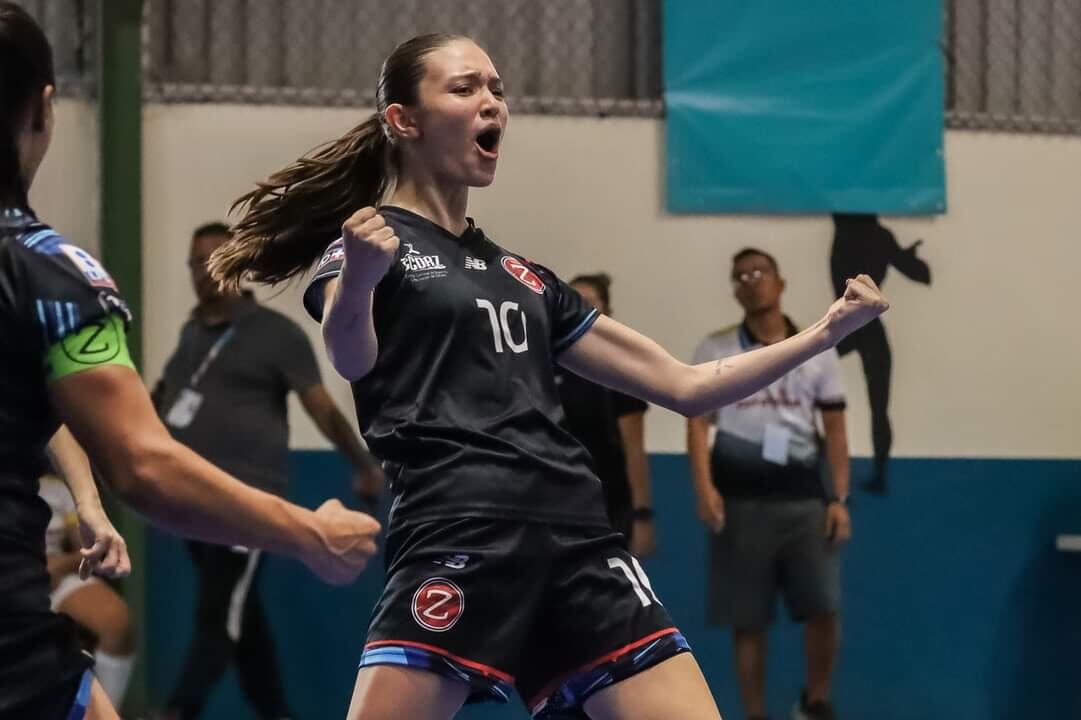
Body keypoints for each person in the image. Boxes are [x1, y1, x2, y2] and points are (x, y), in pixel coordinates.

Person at [211, 33, 887, 720]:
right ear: (403, 120)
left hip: (578, 540)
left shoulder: (526, 279)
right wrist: (358, 280)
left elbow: (686, 385)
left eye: (497, 90)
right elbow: (352, 358)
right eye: (465, 87)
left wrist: (823, 333)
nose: (491, 103)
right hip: (460, 530)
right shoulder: (367, 246)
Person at [0, 5, 380, 719]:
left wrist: (84, 501)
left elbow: (32, 395)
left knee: (233, 625)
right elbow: (142, 463)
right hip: (16, 658)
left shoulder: (271, 337)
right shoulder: (49, 275)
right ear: (44, 109)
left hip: (236, 493)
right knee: (221, 624)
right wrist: (313, 534)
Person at [156, 221, 385, 720]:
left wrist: (363, 465)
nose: (205, 271)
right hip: (191, 500)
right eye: (196, 261)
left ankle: (177, 711)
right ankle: (278, 713)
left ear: (239, 266)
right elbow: (165, 402)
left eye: (216, 259)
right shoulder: (192, 333)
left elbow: (321, 407)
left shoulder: (274, 335)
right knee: (243, 618)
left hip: (246, 502)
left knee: (220, 616)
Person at [688, 248, 851, 720]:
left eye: (760, 273)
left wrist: (840, 497)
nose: (750, 281)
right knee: (748, 620)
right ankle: (754, 714)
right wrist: (704, 488)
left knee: (823, 608)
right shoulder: (715, 350)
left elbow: (836, 427)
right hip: (739, 504)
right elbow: (697, 423)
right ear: (735, 290)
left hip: (804, 503)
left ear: (780, 284)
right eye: (740, 276)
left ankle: (815, 703)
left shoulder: (817, 348)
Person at [555, 273, 655, 556]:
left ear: (606, 313)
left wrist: (642, 516)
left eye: (588, 302)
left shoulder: (619, 370)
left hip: (609, 506)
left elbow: (634, 448)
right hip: (555, 505)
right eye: (572, 300)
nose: (578, 307)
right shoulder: (545, 364)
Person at [830, 213, 931, 495]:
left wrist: (904, 257)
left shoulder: (850, 231)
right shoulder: (876, 235)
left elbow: (922, 275)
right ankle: (878, 474)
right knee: (877, 407)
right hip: (857, 327)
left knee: (878, 407)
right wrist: (904, 257)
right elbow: (920, 274)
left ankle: (879, 474)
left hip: (853, 327)